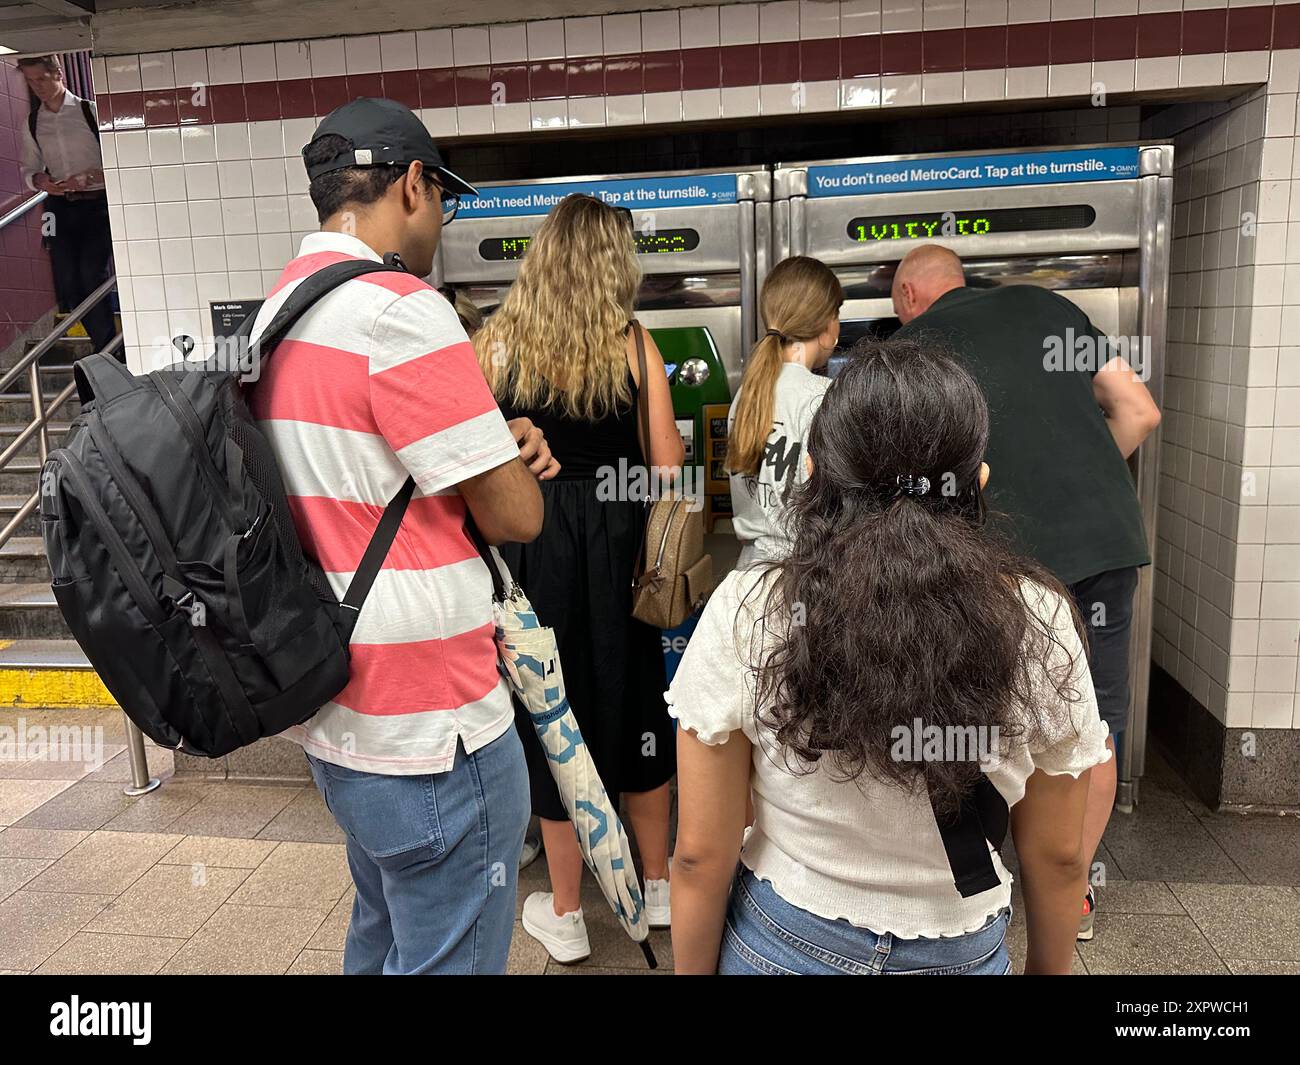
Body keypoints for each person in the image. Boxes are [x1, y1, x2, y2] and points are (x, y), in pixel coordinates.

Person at [669, 339, 1110, 975]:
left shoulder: (752, 606)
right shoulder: (1038, 617)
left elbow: (698, 855)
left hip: (784, 942)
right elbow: (1062, 858)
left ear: (815, 471)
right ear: (978, 479)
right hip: (961, 949)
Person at [247, 97, 560, 975]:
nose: (439, 225)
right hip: (434, 724)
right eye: (444, 200)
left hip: (341, 709)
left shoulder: (279, 315)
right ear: (414, 182)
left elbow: (366, 479)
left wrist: (487, 439)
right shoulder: (398, 310)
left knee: (384, 935)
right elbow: (516, 514)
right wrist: (507, 451)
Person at [890, 244, 1161, 942]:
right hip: (1104, 542)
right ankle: (1070, 894)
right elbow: (1138, 409)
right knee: (1093, 724)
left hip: (1004, 558)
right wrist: (1082, 479)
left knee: (991, 719)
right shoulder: (1049, 305)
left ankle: (985, 880)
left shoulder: (917, 341)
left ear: (909, 296)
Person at [475, 193, 685, 964]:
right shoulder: (634, 344)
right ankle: (655, 886)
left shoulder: (497, 345)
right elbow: (667, 467)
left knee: (553, 712)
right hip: (620, 543)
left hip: (536, 545)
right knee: (633, 699)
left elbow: (469, 448)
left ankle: (567, 911)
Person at [726, 256, 842, 566]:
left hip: (748, 573)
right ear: (828, 325)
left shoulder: (746, 394)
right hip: (805, 573)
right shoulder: (825, 397)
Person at [17, 55, 116, 355]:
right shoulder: (34, 122)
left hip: (97, 204)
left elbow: (119, 161)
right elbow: (28, 168)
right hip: (59, 209)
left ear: (59, 74)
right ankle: (107, 349)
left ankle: (109, 352)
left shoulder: (90, 112)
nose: (38, 88)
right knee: (69, 284)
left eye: (42, 79)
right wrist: (40, 181)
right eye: (31, 82)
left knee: (91, 273)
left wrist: (91, 176)